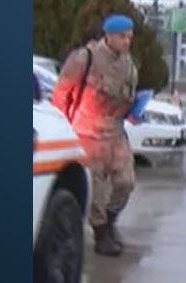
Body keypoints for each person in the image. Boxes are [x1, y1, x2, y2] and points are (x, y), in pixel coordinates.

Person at [51, 13, 140, 256]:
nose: (127, 42)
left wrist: (134, 111)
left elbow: (127, 95)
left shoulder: (128, 63)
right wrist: (61, 125)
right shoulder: (86, 57)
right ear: (108, 35)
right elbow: (61, 91)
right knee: (97, 189)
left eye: (129, 37)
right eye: (122, 37)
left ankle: (109, 223)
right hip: (88, 131)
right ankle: (101, 235)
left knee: (126, 182)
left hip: (115, 130)